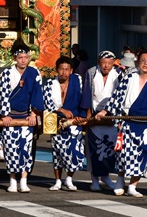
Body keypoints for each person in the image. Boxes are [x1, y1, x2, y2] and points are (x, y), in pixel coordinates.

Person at [94, 48, 147, 198]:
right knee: (123, 154)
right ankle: (120, 180)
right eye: (143, 60)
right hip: (128, 122)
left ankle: (132, 185)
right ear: (138, 62)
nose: (146, 64)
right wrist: (105, 112)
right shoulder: (128, 78)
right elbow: (117, 97)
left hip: (146, 126)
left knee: (142, 156)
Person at [0, 41, 44, 193]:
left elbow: (37, 94)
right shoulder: (7, 73)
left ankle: (23, 180)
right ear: (15, 58)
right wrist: (4, 114)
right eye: (20, 57)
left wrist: (33, 113)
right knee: (11, 149)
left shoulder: (34, 73)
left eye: (25, 57)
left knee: (26, 148)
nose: (23, 60)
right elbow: (3, 95)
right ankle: (12, 180)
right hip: (11, 115)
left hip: (26, 115)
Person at [44, 56, 85, 191]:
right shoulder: (50, 83)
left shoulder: (77, 80)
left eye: (67, 69)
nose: (64, 72)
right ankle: (57, 180)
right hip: (57, 121)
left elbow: (82, 97)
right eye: (61, 69)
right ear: (56, 69)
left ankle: (69, 178)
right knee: (58, 152)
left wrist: (82, 116)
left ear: (71, 70)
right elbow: (47, 101)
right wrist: (61, 109)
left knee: (75, 150)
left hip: (74, 120)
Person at [81, 51, 120, 191]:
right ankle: (94, 180)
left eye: (109, 63)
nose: (106, 66)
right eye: (104, 62)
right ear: (99, 62)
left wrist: (115, 115)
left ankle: (106, 177)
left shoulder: (118, 74)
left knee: (110, 150)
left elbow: (120, 96)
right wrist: (88, 117)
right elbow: (86, 94)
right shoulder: (91, 73)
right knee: (94, 151)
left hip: (111, 115)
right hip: (95, 114)